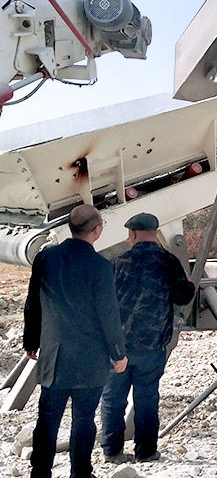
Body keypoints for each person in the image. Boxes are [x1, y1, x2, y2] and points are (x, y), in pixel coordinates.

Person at [23, 204, 128, 478]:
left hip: (53, 355)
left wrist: (30, 340)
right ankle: (80, 473)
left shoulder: (46, 258)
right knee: (84, 421)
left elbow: (33, 301)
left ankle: (40, 472)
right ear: (97, 230)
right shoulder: (100, 266)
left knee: (46, 421)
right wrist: (118, 353)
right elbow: (108, 315)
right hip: (89, 358)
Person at [101, 213, 195, 463]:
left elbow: (102, 303)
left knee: (112, 399)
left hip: (118, 347)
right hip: (152, 345)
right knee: (147, 398)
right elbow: (184, 297)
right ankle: (146, 451)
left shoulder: (118, 262)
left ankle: (112, 451)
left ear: (132, 235)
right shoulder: (169, 262)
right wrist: (187, 281)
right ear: (155, 233)